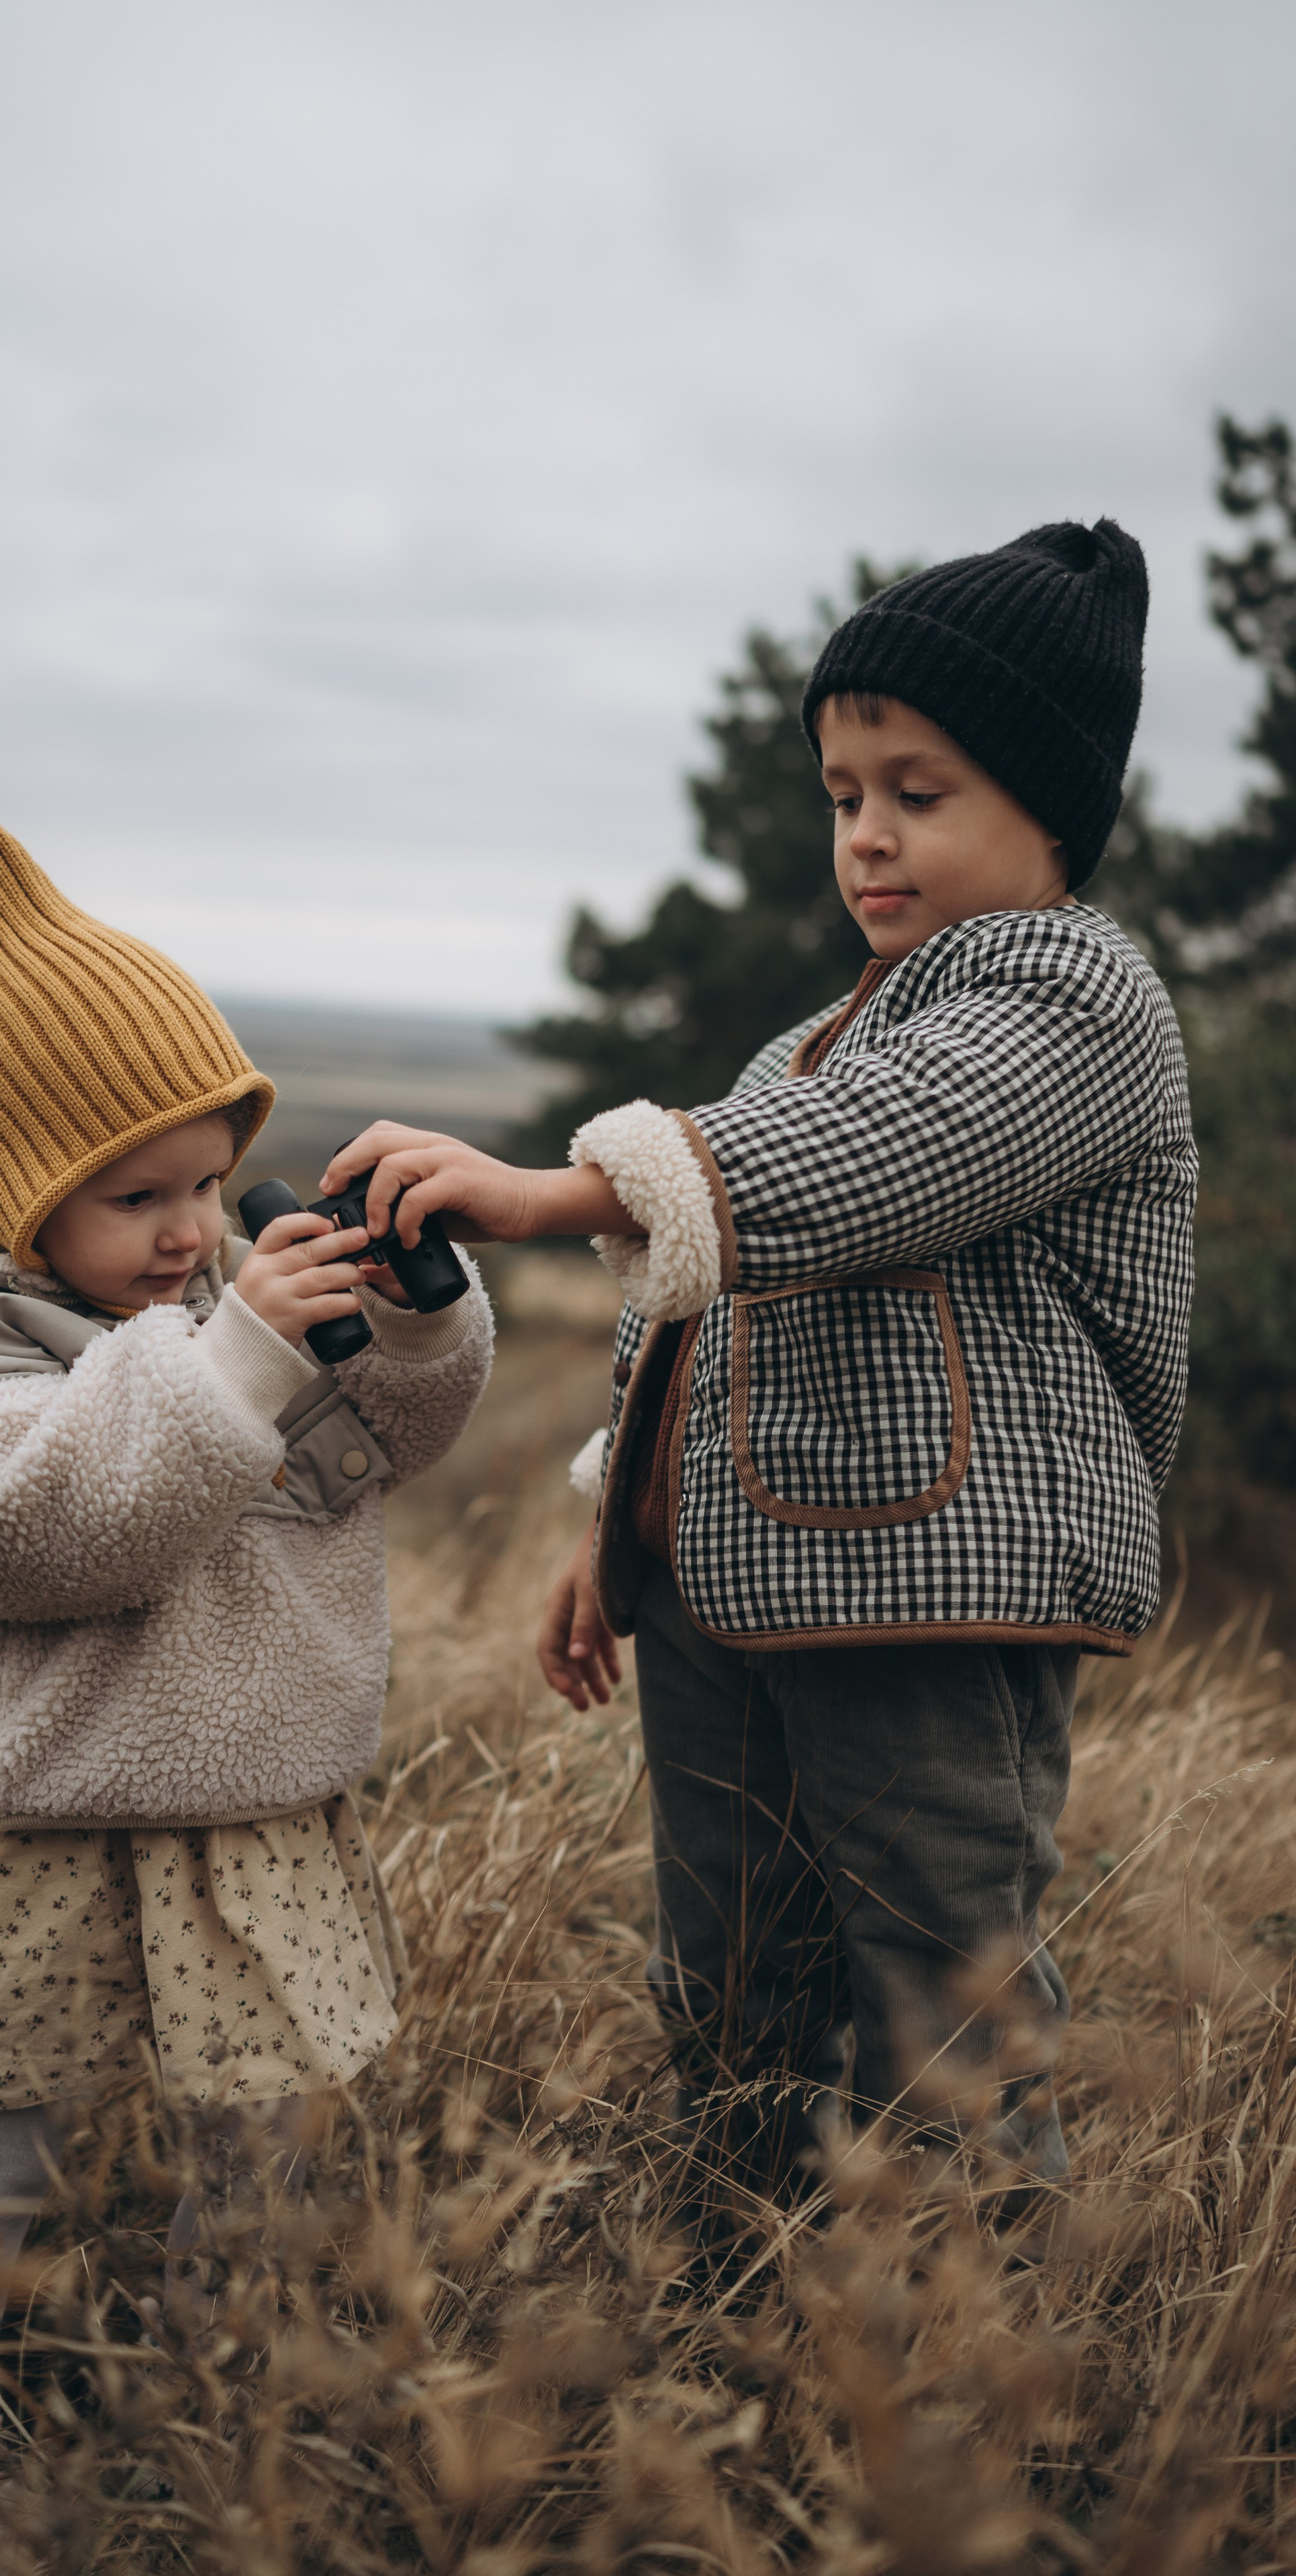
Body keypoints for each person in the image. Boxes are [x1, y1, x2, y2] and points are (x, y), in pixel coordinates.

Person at [317, 521, 1195, 2217]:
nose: (865, 833)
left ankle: (959, 2376)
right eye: (840, 792)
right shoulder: (805, 1041)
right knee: (731, 1976)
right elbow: (691, 1310)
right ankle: (747, 2308)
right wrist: (611, 1535)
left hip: (938, 1585)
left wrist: (540, 1187)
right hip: (737, 1580)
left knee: (939, 1995)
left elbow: (868, 1156)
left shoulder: (1078, 994)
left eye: (915, 791)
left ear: (1048, 804)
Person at [0, 792, 493, 2446]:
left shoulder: (227, 1303)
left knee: (261, 2153)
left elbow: (372, 1457)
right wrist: (239, 1361)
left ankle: (210, 2426)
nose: (191, 1230)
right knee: (1, 2160)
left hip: (252, 1823)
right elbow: (37, 1525)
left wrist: (411, 1326)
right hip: (38, 1829)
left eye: (205, 1183)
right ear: (17, 1197)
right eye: (137, 1197)